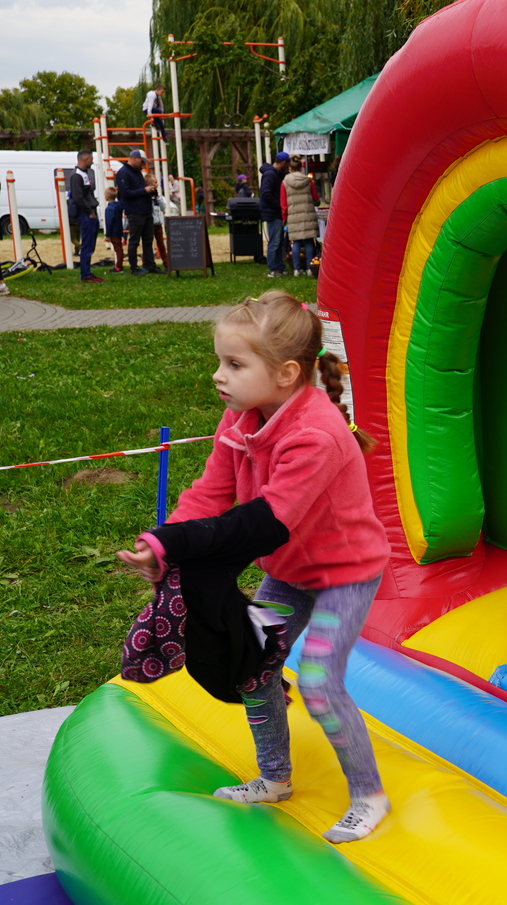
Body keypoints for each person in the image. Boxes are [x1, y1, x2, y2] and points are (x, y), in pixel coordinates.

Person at [115, 290, 393, 842]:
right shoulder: (241, 418)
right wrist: (165, 545)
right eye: (220, 360)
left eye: (235, 364)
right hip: (288, 571)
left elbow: (266, 521)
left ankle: (369, 794)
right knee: (254, 665)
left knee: (318, 681)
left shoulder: (315, 435)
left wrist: (177, 543)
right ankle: (275, 778)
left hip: (345, 575)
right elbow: (211, 492)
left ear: (286, 373)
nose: (219, 375)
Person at [114, 149, 159, 275]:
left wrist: (152, 191)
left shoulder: (137, 172)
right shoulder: (123, 173)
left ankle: (150, 265)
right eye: (141, 161)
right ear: (134, 158)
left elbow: (138, 190)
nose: (143, 164)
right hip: (135, 211)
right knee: (134, 241)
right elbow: (126, 193)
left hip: (146, 211)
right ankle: (134, 267)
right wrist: (145, 190)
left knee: (148, 240)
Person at [281, 156, 321, 277]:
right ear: (301, 168)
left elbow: (283, 203)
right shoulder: (308, 181)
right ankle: (309, 268)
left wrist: (285, 218)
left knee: (296, 242)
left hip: (293, 216)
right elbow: (316, 198)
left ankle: (297, 269)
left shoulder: (285, 183)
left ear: (290, 168)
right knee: (309, 242)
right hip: (307, 215)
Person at [66, 150, 102, 284]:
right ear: (85, 159)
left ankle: (87, 272)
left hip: (90, 212)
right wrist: (89, 211)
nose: (92, 161)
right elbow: (78, 197)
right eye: (91, 159)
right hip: (85, 214)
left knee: (90, 244)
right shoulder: (77, 176)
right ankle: (85, 274)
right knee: (86, 244)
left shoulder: (84, 174)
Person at [259, 152, 291, 277]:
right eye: (287, 164)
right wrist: (279, 205)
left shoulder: (275, 174)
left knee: (279, 241)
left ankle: (279, 266)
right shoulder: (270, 174)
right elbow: (265, 193)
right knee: (275, 241)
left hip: (274, 211)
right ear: (283, 163)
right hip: (273, 212)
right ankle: (273, 268)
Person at [102, 186, 125, 273]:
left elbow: (109, 222)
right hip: (119, 230)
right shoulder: (119, 206)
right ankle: (119, 265)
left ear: (107, 196)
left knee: (117, 249)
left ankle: (118, 266)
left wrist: (107, 235)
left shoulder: (109, 209)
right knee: (119, 248)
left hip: (113, 232)